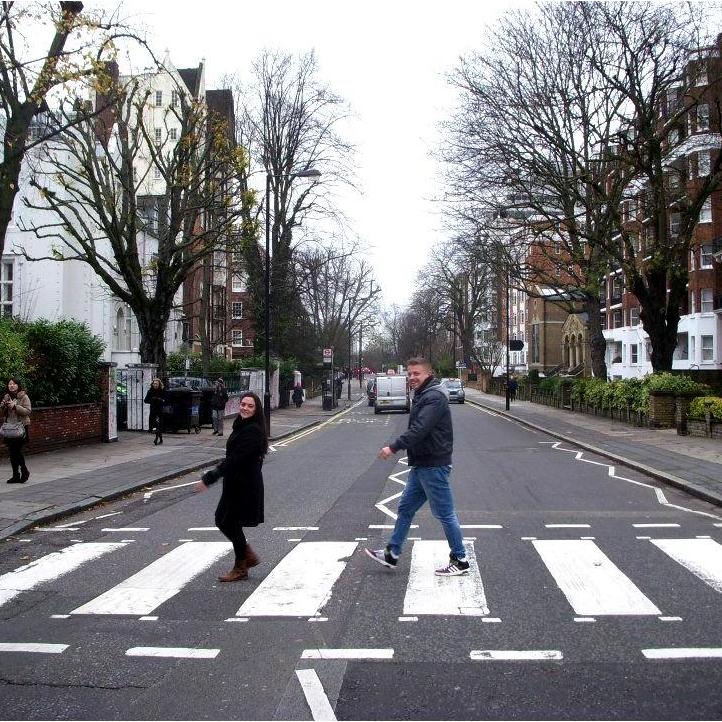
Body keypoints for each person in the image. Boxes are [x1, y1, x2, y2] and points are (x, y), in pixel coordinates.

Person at [365, 357, 469, 576]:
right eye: (410, 373)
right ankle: (392, 553)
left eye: (417, 373)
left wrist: (393, 447)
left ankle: (460, 559)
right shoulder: (423, 393)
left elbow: (420, 429)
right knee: (405, 508)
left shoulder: (433, 397)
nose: (412, 377)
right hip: (422, 464)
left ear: (428, 374)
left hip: (433, 465)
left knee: (445, 514)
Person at [195, 392, 267, 582]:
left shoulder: (253, 430)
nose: (245, 408)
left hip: (244, 485)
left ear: (256, 410)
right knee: (224, 520)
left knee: (227, 521)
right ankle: (246, 556)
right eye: (243, 404)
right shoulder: (241, 424)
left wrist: (210, 477)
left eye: (250, 406)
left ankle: (241, 565)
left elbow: (235, 459)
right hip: (235, 483)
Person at [1, 378, 32, 484]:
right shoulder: (6, 397)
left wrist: (15, 406)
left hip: (20, 427)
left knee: (16, 451)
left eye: (14, 384)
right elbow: (2, 412)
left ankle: (24, 471)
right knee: (12, 452)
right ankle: (15, 475)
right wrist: (3, 406)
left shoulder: (24, 396)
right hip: (9, 427)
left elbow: (28, 411)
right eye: (10, 384)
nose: (11, 386)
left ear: (18, 385)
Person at [144, 377, 165, 445]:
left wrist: (160, 399)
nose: (155, 385)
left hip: (160, 410)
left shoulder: (162, 391)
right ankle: (160, 439)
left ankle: (156, 438)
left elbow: (165, 400)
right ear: (152, 384)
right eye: (154, 384)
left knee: (159, 425)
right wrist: (152, 400)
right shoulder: (150, 391)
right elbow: (145, 400)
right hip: (153, 410)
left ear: (159, 384)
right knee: (155, 425)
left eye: (157, 384)